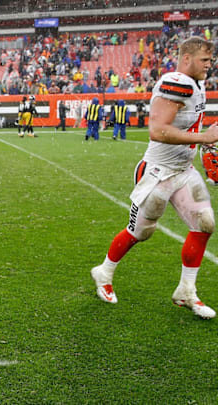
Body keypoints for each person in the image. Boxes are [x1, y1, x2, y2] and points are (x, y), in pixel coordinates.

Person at [90, 37, 218, 319]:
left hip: (183, 170)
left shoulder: (198, 82)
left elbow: (188, 124)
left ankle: (186, 290)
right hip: (157, 172)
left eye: (211, 60)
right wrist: (203, 137)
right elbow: (158, 130)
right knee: (141, 233)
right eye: (205, 60)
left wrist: (207, 139)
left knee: (205, 222)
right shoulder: (177, 82)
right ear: (187, 59)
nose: (210, 65)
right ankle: (104, 272)